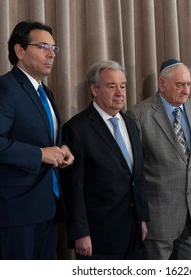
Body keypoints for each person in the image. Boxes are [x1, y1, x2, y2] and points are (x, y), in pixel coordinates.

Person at [0, 21, 74, 259]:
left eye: (54, 48)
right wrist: (40, 154)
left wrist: (61, 149)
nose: (51, 54)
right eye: (43, 47)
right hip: (15, 213)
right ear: (19, 51)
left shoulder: (45, 92)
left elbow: (41, 136)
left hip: (46, 208)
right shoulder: (4, 88)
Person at [60, 60, 149, 260]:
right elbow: (73, 188)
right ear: (94, 89)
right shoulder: (77, 129)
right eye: (111, 86)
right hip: (98, 237)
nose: (119, 92)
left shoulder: (130, 124)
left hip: (132, 232)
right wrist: (80, 233)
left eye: (123, 86)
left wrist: (142, 217)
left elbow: (138, 176)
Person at [127, 59, 191, 260]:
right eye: (179, 85)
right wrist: (141, 216)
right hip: (158, 219)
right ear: (162, 84)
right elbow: (135, 172)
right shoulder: (139, 115)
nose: (186, 90)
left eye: (188, 84)